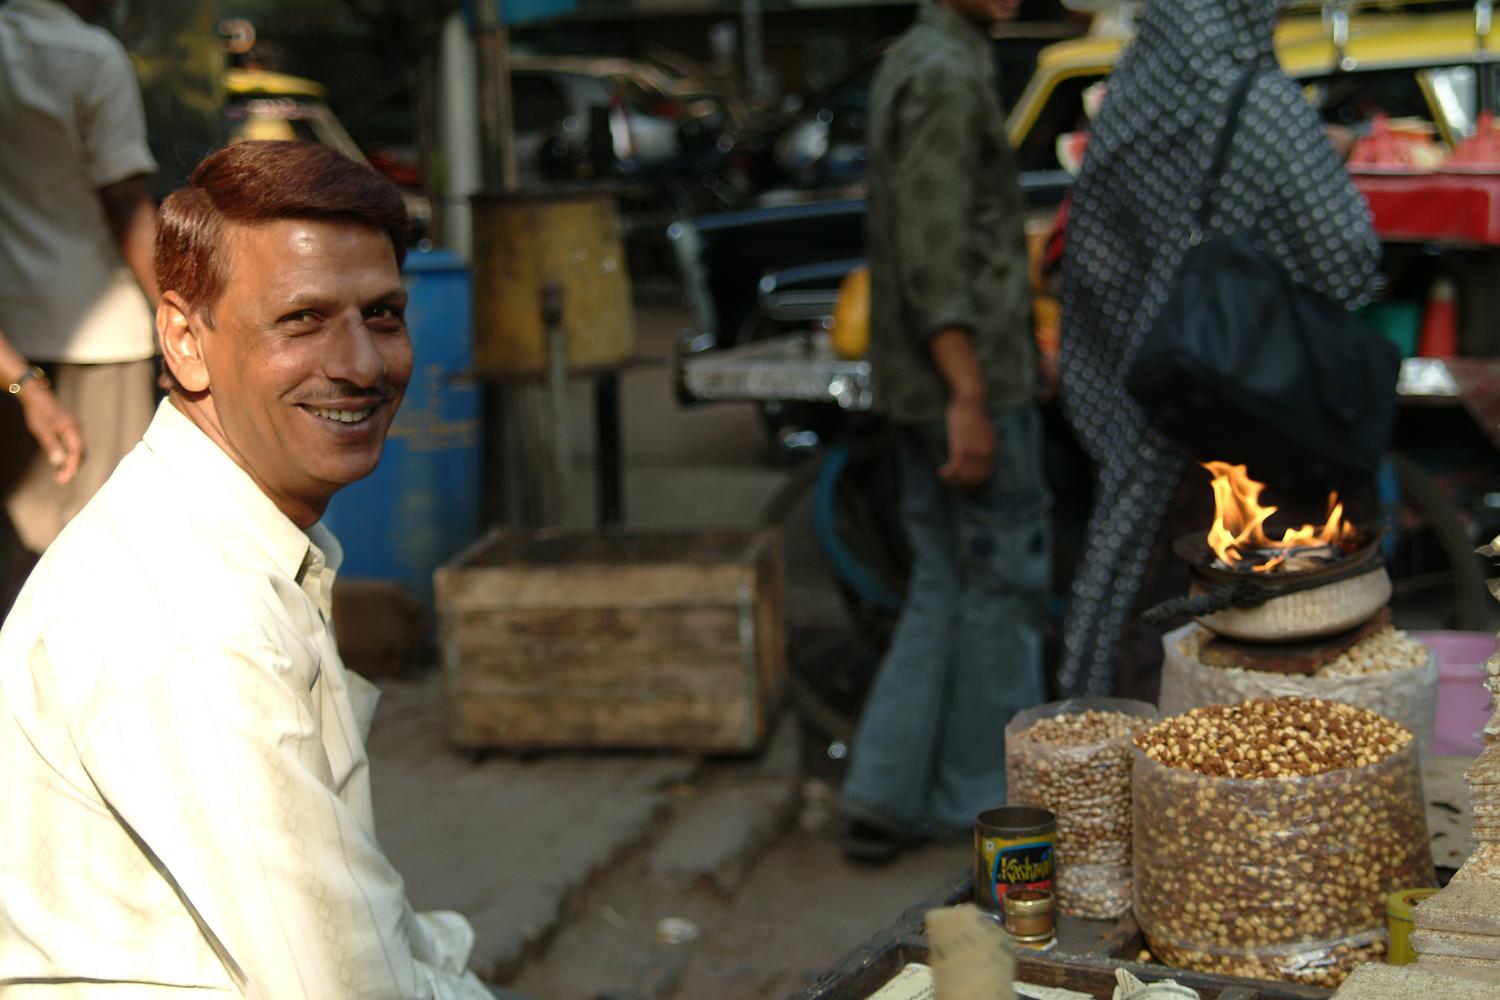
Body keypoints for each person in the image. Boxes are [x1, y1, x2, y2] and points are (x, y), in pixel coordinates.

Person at [0, 141, 495, 997]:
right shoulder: (192, 619)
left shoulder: (228, 537)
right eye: (301, 320)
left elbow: (367, 925)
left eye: (383, 314)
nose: (361, 365)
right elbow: (349, 987)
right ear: (184, 341)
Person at [1056, 0, 1380, 699]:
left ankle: (1133, 755)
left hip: (1152, 406)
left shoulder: (1131, 94)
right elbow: (1347, 262)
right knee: (1251, 647)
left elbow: (1093, 268)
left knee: (1155, 628)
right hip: (1243, 428)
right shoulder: (1259, 105)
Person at [839, 0, 1052, 862]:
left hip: (944, 380)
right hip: (963, 385)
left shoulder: (932, 57)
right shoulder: (944, 72)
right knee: (1001, 587)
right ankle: (982, 804)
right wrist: (969, 390)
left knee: (945, 580)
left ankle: (886, 792)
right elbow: (933, 255)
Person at [0, 0, 161, 600]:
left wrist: (22, 384)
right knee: (104, 555)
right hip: (100, 344)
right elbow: (124, 201)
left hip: (11, 346)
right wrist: (179, 316)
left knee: (20, 560)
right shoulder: (91, 57)